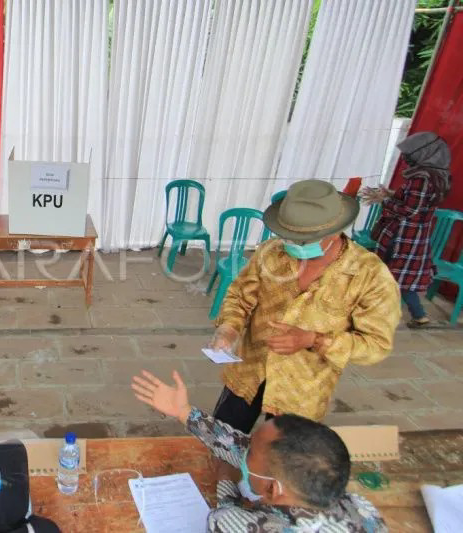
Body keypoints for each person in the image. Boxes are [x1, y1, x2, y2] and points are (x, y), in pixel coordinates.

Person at [211, 179, 401, 432]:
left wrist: (314, 340)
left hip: (301, 391)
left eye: (303, 239)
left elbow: (376, 345)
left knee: (282, 452)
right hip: (248, 372)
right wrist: (229, 328)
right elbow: (239, 296)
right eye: (287, 236)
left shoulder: (370, 275)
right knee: (220, 437)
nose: (291, 244)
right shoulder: (271, 252)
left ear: (334, 232)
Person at [132, 370, 387, 532]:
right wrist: (185, 413)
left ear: (273, 490)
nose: (242, 452)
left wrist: (225, 480)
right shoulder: (363, 510)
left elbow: (220, 517)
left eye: (250, 452)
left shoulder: (241, 525)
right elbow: (235, 445)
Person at [363, 131, 452, 328]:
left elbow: (411, 210)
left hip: (404, 235)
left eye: (409, 153)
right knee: (400, 275)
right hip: (414, 235)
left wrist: (384, 200)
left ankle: (377, 316)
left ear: (424, 153)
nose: (405, 157)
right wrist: (391, 194)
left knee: (389, 273)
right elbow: (416, 201)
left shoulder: (422, 178)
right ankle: (419, 316)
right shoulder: (436, 175)